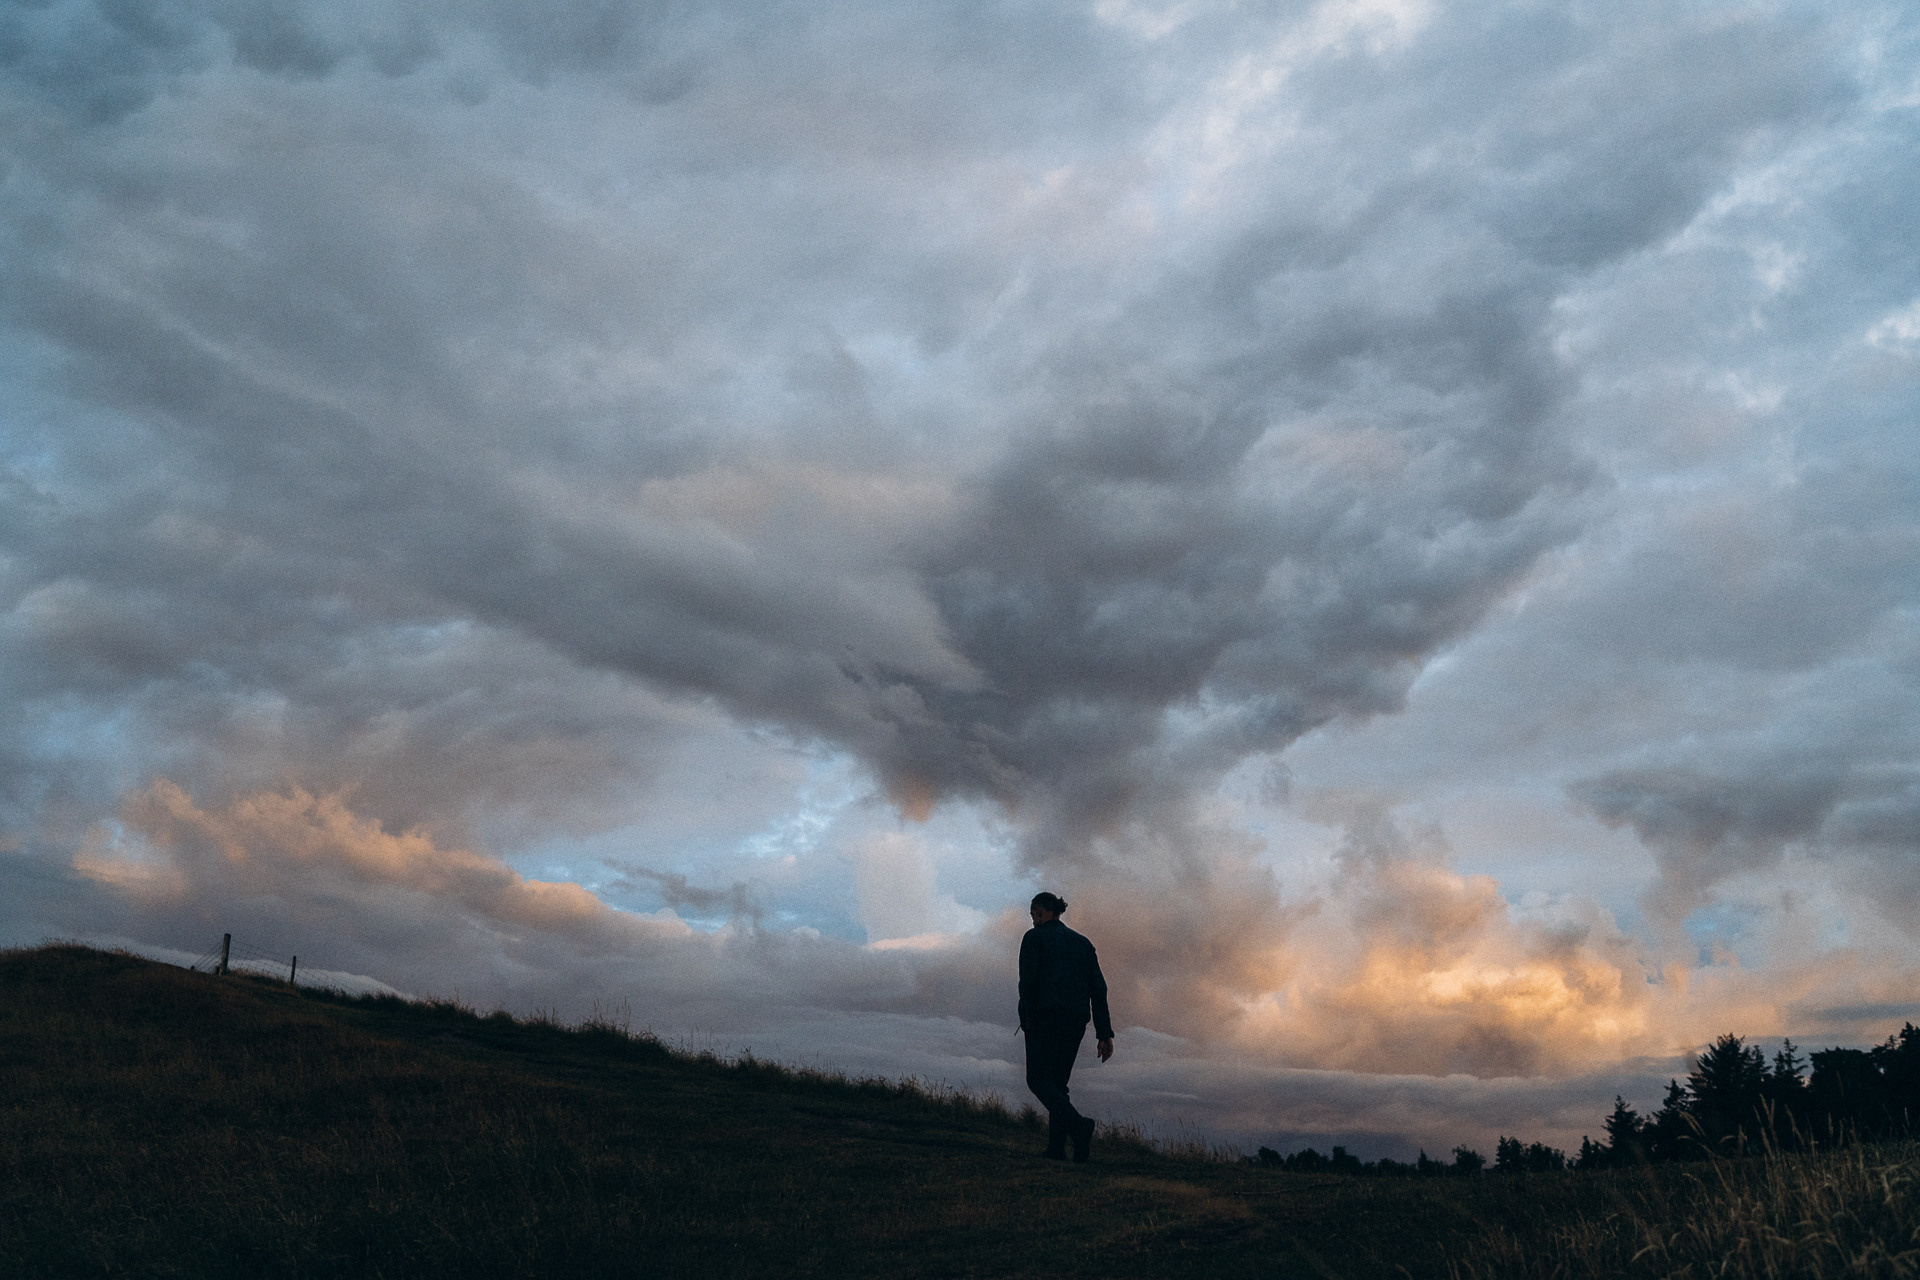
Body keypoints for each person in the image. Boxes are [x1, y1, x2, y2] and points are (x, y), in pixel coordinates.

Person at [1017, 891, 1114, 1163]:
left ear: (1039, 911)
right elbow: (1099, 989)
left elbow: (1027, 982)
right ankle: (1057, 1149)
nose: (1033, 920)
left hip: (1045, 1016)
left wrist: (1026, 1017)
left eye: (1033, 914)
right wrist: (1104, 1033)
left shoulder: (1034, 937)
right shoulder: (1083, 943)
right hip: (1076, 1020)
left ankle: (1079, 1127)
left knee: (1038, 1079)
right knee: (1058, 1083)